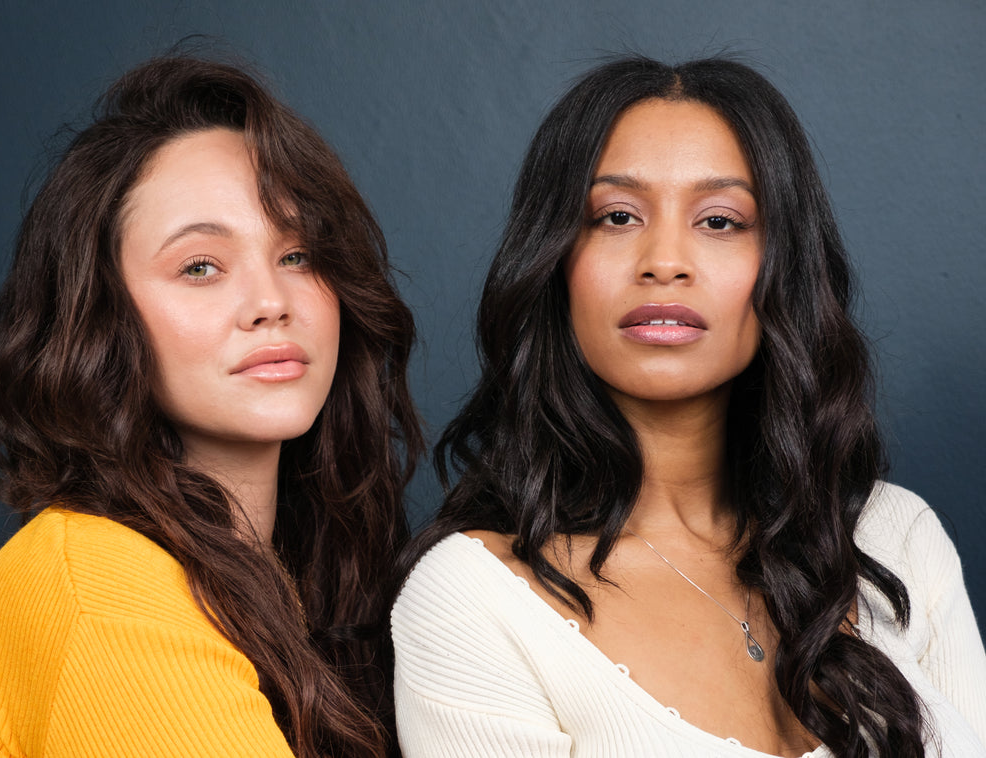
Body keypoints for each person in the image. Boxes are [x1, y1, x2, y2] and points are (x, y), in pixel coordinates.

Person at [392, 56, 986, 758]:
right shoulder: (473, 600)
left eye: (720, 220)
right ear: (553, 265)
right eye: (616, 216)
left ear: (783, 266)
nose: (665, 259)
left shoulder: (896, 540)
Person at [0, 54, 421, 758]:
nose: (271, 303)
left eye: (297, 255)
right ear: (100, 318)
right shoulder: (98, 585)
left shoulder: (293, 583)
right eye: (200, 266)